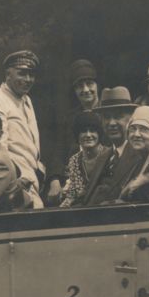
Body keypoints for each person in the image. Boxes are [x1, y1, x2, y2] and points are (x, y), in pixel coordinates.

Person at [0, 50, 45, 208]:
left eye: (31, 75)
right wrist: (13, 183)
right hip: (13, 184)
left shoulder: (26, 99)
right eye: (22, 74)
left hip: (31, 180)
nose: (28, 79)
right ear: (8, 74)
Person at [46, 59, 100, 205]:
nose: (85, 89)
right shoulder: (70, 119)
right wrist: (55, 180)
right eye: (79, 86)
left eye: (90, 83)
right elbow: (59, 151)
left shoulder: (108, 115)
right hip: (73, 182)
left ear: (97, 85)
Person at [59, 112, 112, 208]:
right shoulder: (74, 160)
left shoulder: (110, 155)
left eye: (92, 131)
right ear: (77, 135)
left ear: (99, 134)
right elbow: (73, 192)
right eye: (83, 131)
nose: (88, 135)